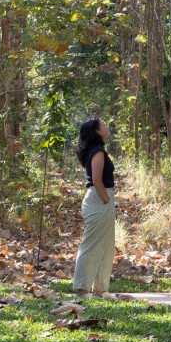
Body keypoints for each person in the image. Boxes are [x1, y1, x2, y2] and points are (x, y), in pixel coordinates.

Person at [73, 117, 115, 296]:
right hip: (99, 200)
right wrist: (107, 200)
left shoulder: (97, 150)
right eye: (103, 125)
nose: (107, 127)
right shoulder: (97, 152)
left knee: (106, 245)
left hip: (101, 199)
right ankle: (82, 289)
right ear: (96, 132)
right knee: (91, 245)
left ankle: (100, 289)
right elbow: (97, 181)